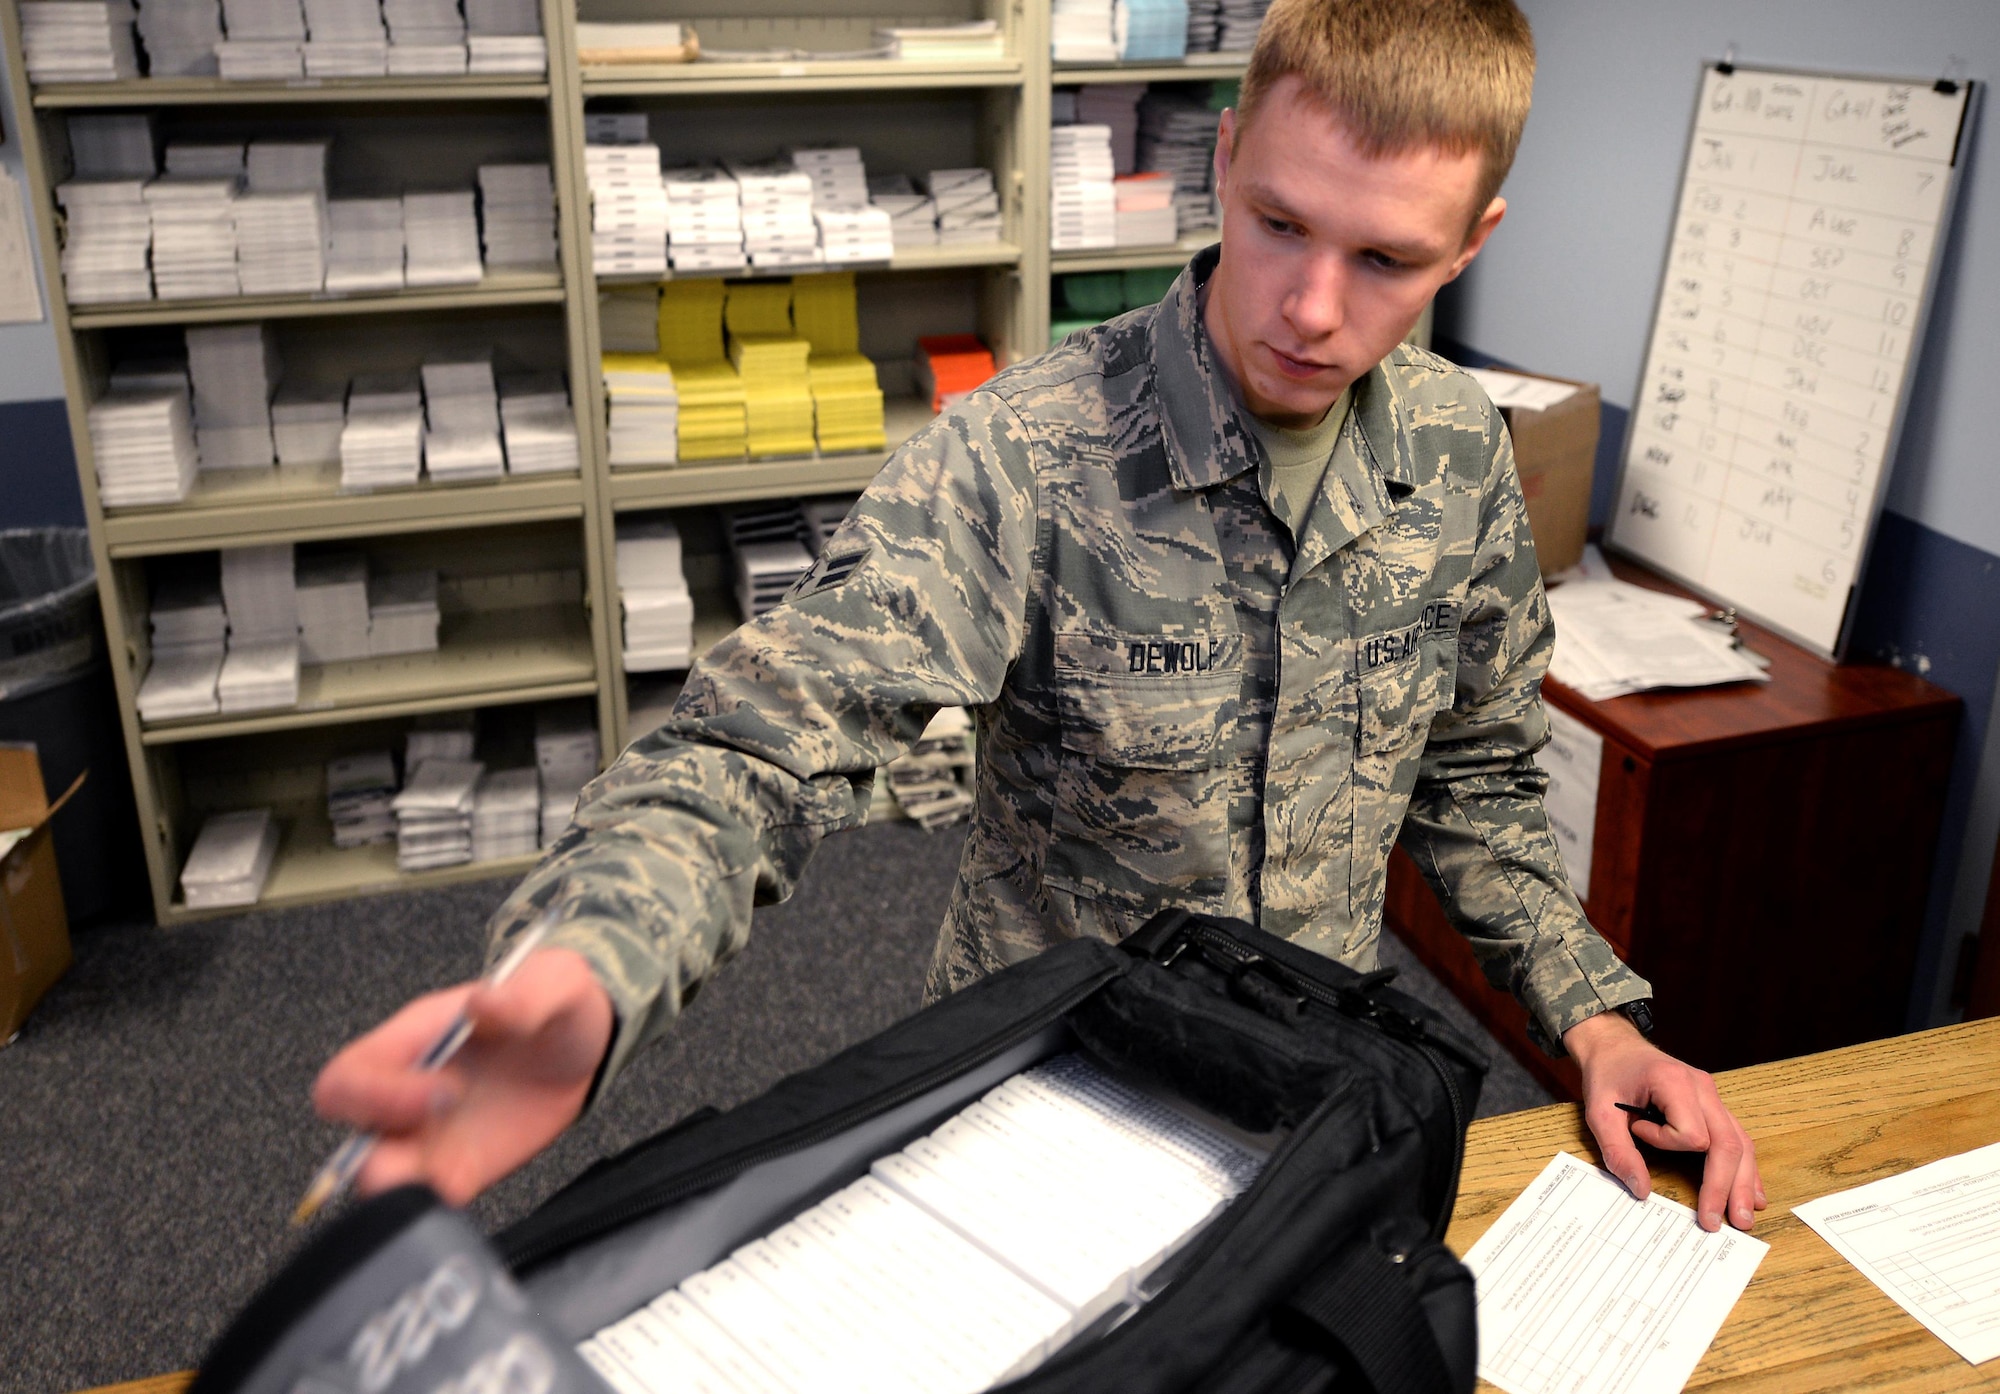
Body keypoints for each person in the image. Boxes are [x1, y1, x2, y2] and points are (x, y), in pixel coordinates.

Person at [316, 0, 1764, 1235]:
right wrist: (594, 963)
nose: (1312, 307)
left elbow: (1477, 778)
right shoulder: (1030, 452)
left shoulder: (1452, 453)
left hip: (1310, 1087)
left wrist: (1592, 1014)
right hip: (1041, 1092)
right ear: (1229, 158)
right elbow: (770, 733)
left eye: (1387, 261)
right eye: (1279, 225)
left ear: (1470, 244)